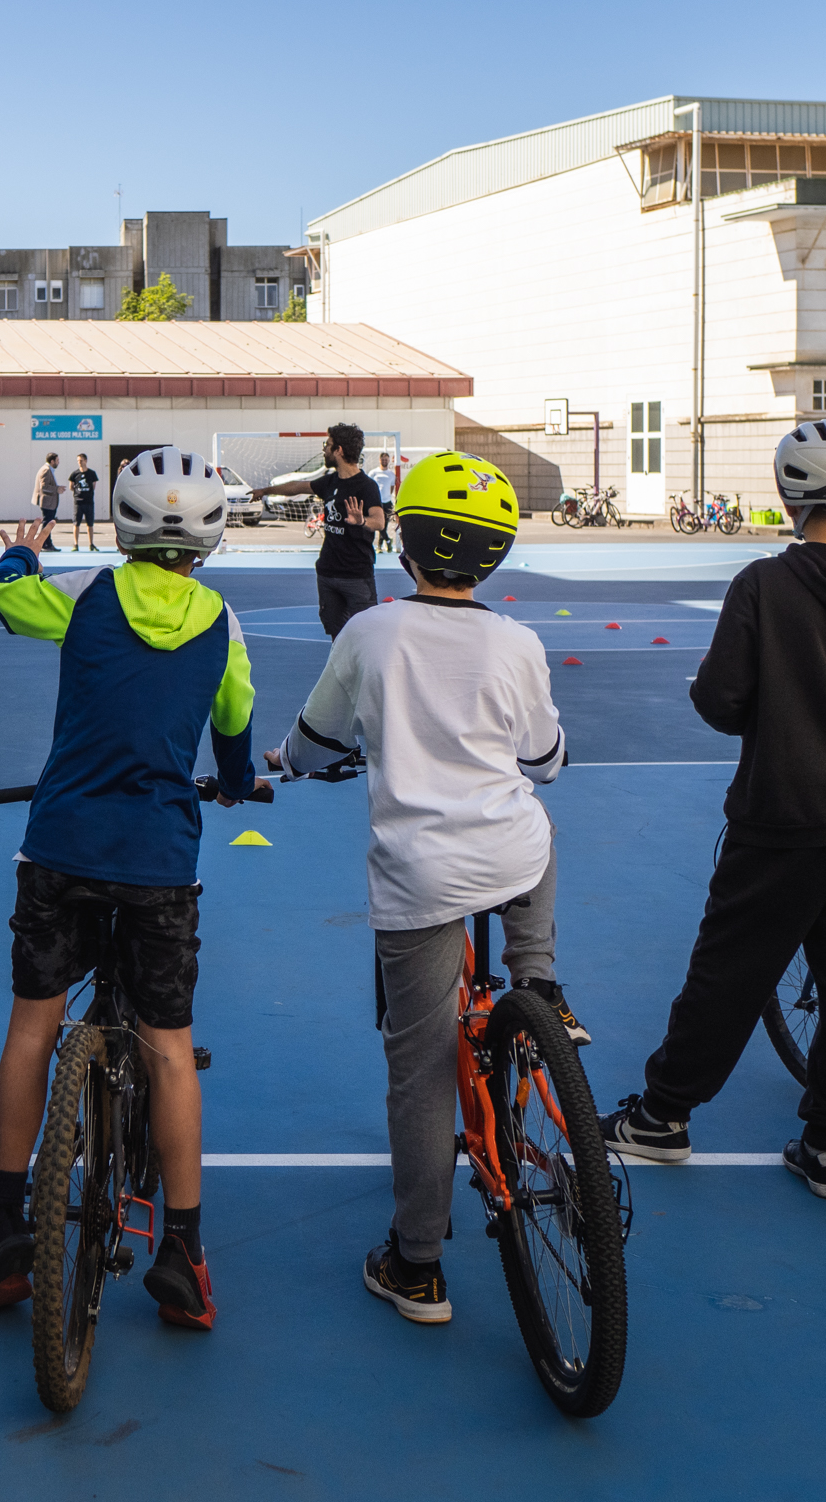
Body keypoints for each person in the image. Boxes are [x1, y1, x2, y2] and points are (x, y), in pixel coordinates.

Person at [267, 451, 579, 1323]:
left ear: (401, 540)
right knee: (534, 833)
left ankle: (417, 1263)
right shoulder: (518, 642)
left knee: (420, 1069)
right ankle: (542, 984)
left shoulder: (370, 632)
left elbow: (314, 741)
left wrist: (289, 764)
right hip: (507, 852)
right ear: (496, 553)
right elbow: (544, 759)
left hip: (421, 874)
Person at [0, 446, 267, 1331]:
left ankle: (3, 1235)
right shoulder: (222, 623)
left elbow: (7, 600)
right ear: (209, 537)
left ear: (124, 527)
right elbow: (236, 732)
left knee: (33, 1030)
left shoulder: (89, 596)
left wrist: (20, 554)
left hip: (62, 843)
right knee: (168, 1047)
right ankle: (182, 1250)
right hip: (158, 860)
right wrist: (235, 776)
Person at [600, 421, 826, 1203]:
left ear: (790, 493)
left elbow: (721, 700)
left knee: (730, 974)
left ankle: (664, 1117)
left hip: (784, 819)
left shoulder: (765, 585)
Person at [249, 423, 386, 638]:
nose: (324, 449)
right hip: (328, 575)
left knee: (366, 635)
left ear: (338, 450)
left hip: (357, 577)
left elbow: (379, 521)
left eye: (328, 445)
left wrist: (361, 521)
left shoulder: (366, 486)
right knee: (336, 634)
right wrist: (265, 491)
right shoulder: (329, 482)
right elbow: (297, 487)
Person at [68, 453, 100, 551]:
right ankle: (76, 544)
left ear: (85, 461)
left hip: (89, 502)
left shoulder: (92, 473)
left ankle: (91, 544)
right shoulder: (74, 474)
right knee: (76, 523)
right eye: (78, 461)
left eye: (81, 461)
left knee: (90, 524)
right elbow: (71, 486)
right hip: (78, 502)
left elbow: (93, 486)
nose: (80, 463)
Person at [32, 452, 63, 551]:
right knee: (47, 524)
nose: (58, 463)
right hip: (47, 502)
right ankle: (43, 544)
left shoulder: (49, 470)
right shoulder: (46, 470)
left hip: (50, 502)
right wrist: (56, 489)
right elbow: (44, 487)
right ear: (52, 461)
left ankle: (47, 543)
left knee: (48, 523)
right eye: (57, 460)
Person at [372, 451, 398, 554]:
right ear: (379, 460)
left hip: (387, 502)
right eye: (382, 459)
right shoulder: (373, 473)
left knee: (384, 525)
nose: (384, 461)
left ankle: (380, 545)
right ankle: (386, 541)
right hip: (377, 502)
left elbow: (391, 488)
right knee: (379, 525)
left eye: (386, 459)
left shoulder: (391, 475)